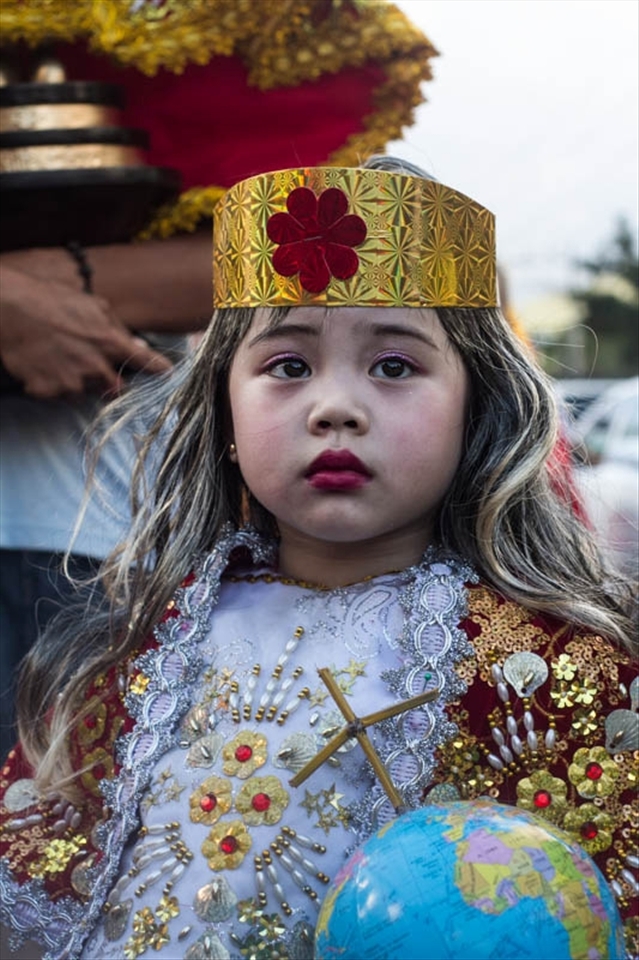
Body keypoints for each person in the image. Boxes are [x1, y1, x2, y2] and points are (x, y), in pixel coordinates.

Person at [0, 158, 636, 960]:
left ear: (473, 408)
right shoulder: (135, 657)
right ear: (224, 408)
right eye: (288, 366)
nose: (334, 407)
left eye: (394, 366)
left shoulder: (551, 671)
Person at [0, 0, 437, 760]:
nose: (336, 409)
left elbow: (318, 240)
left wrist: (52, 284)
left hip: (103, 545)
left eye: (394, 370)